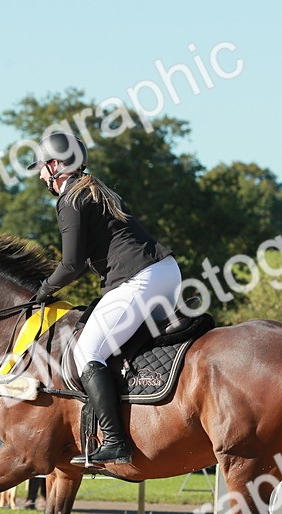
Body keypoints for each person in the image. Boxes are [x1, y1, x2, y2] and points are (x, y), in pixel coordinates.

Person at [28, 132, 183, 467]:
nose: (41, 175)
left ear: (55, 165)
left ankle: (115, 441)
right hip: (166, 273)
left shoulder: (70, 200)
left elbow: (70, 266)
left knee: (87, 352)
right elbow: (83, 263)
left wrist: (42, 291)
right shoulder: (93, 189)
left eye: (42, 167)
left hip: (141, 279)